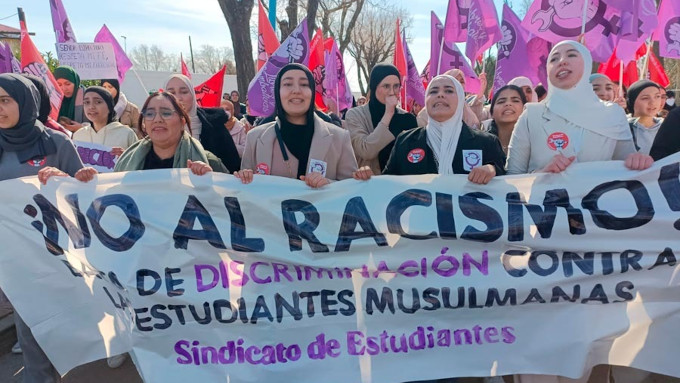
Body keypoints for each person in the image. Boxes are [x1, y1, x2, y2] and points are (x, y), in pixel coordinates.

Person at [507, 39, 654, 383]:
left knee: (591, 332)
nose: (561, 61)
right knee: (544, 329)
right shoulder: (531, 115)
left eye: (572, 54)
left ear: (586, 64)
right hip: (544, 240)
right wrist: (544, 172)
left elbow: (626, 167)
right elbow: (511, 177)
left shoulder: (612, 114)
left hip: (598, 243)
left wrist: (637, 162)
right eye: (554, 57)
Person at [0, 73, 83, 383]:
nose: (0, 108)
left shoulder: (56, 142)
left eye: (5, 100)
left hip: (58, 252)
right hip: (14, 258)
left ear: (25, 101)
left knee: (62, 324)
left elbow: (84, 191)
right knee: (29, 324)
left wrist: (63, 179)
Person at [235, 63, 370, 187]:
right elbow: (246, 197)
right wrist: (244, 178)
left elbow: (350, 189)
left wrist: (328, 184)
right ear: (277, 92)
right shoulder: (255, 138)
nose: (296, 90)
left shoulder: (339, 138)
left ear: (312, 92)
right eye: (288, 84)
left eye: (304, 84)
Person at [75, 91, 228, 181]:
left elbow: (233, 210)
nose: (157, 119)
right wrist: (94, 182)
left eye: (166, 113)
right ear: (144, 123)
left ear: (182, 122)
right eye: (149, 114)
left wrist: (211, 182)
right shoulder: (126, 162)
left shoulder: (209, 162)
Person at [383, 75, 506, 185]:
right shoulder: (405, 141)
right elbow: (385, 185)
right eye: (433, 91)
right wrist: (366, 177)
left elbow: (509, 189)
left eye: (448, 91)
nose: (440, 95)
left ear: (460, 100)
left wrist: (493, 170)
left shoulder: (486, 143)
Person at [344, 63, 418, 175]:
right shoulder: (355, 115)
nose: (392, 92)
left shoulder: (406, 118)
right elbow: (366, 151)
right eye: (386, 86)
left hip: (400, 185)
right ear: (374, 87)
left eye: (396, 86)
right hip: (370, 184)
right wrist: (388, 114)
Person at [164, 74, 241, 172]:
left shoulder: (214, 125)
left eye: (184, 92)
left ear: (192, 94)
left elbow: (232, 167)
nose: (178, 98)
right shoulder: (157, 128)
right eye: (171, 93)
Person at [481, 84, 527, 154]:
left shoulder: (535, 144)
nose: (508, 104)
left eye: (515, 101)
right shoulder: (480, 144)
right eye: (501, 101)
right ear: (492, 112)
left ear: (525, 109)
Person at [626, 80, 663, 154]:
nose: (653, 102)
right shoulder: (623, 128)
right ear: (632, 101)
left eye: (657, 96)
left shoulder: (667, 126)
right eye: (645, 98)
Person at [54, 65, 85, 132]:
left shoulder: (86, 97)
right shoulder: (53, 100)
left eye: (68, 84)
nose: (64, 88)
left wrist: (82, 128)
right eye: (59, 85)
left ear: (75, 83)